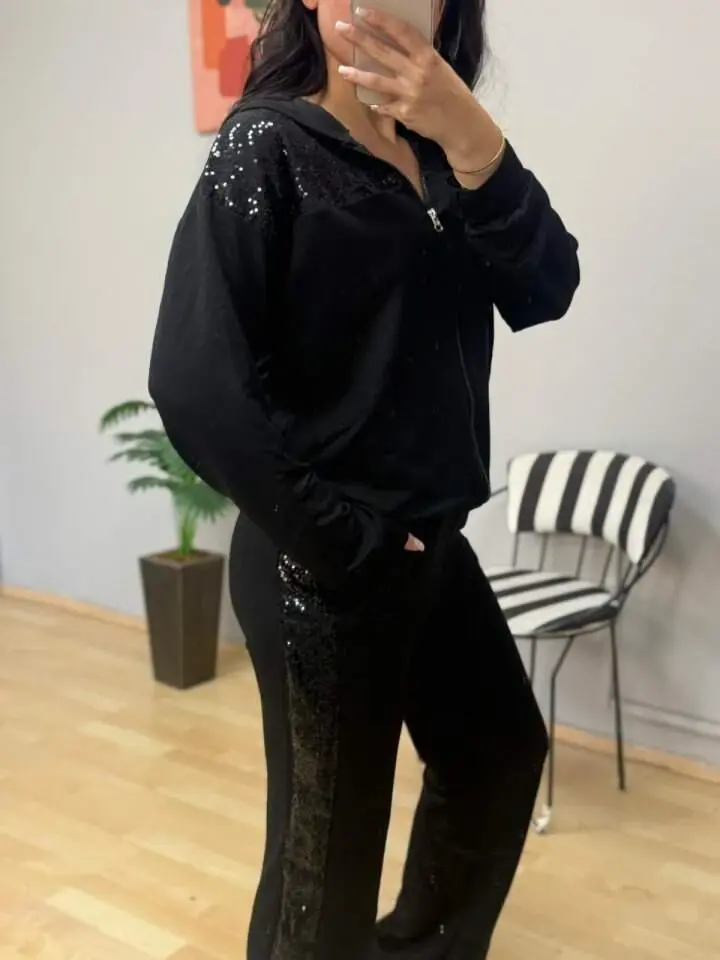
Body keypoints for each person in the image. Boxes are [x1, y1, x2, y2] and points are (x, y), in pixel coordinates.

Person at [149, 0, 580, 956]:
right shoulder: (264, 148)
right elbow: (195, 384)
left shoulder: (445, 154)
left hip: (430, 543)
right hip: (325, 565)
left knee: (497, 758)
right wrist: (350, 542)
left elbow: (546, 288)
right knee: (325, 867)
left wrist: (472, 135)